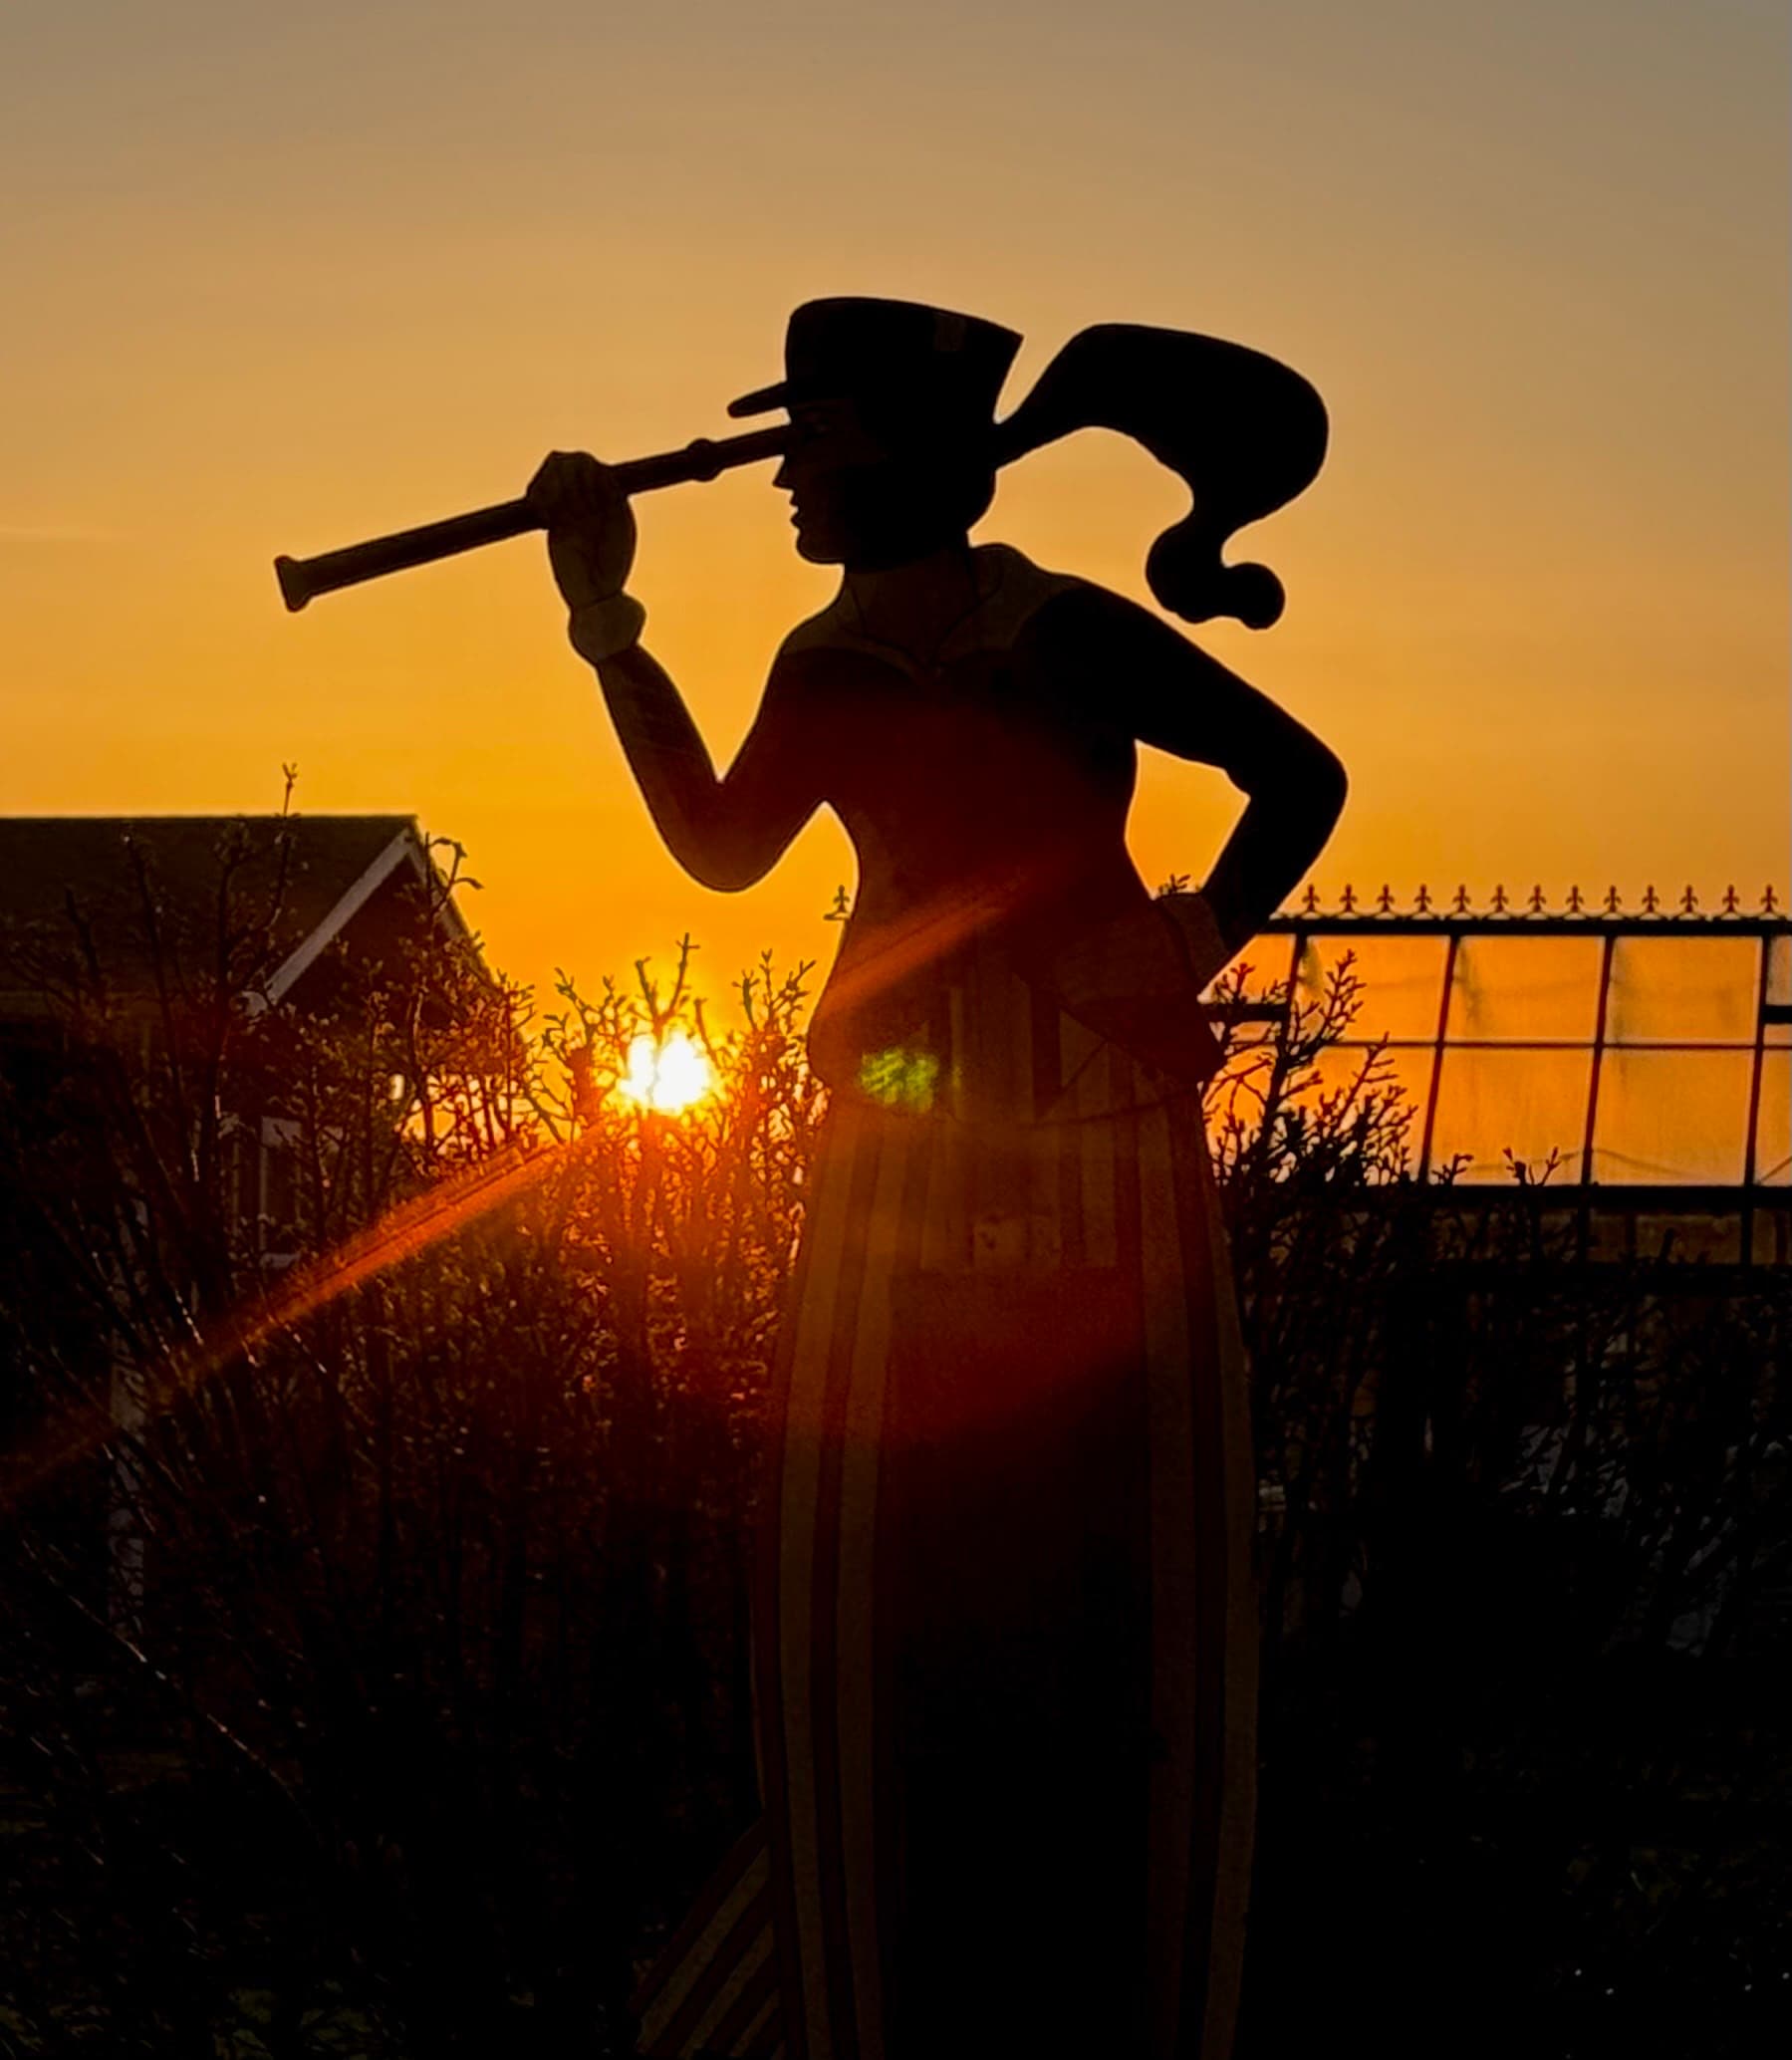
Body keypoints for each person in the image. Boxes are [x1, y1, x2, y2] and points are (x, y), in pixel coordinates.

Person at [528, 297, 1347, 2060]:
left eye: (813, 441)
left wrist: (1191, 936)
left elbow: (1299, 777)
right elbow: (724, 846)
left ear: (912, 451)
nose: (789, 481)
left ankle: (1128, 1964)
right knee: (884, 1589)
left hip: (1103, 1153)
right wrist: (609, 628)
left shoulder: (1067, 637)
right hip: (894, 1158)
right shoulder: (822, 674)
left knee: (1115, 1577)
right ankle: (873, 1961)